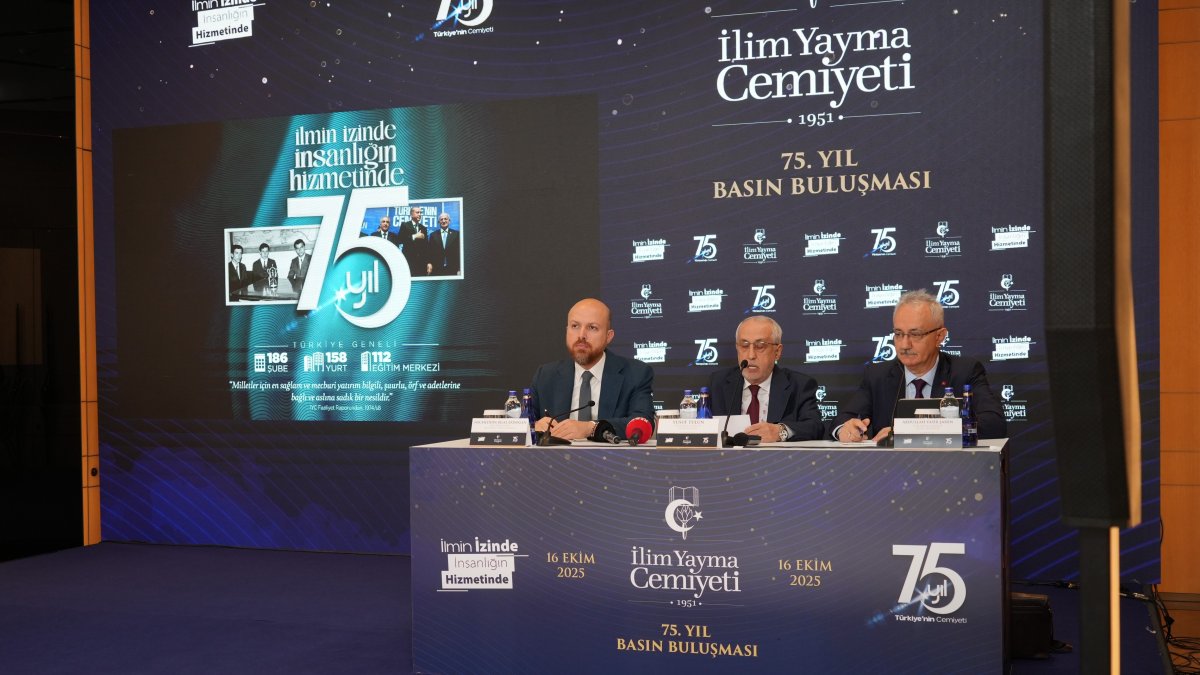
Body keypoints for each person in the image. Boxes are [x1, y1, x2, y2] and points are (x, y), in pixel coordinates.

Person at [831, 289, 1007, 442]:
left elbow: (994, 424)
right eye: (899, 334)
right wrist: (845, 430)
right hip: (890, 474)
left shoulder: (965, 372)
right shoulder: (878, 375)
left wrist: (910, 432)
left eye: (915, 335)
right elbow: (843, 419)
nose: (904, 345)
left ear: (939, 336)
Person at [530, 298, 655, 441]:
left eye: (592, 327)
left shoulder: (636, 374)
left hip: (612, 460)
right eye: (575, 326)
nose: (581, 335)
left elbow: (642, 422)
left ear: (608, 336)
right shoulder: (545, 375)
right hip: (555, 461)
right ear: (567, 331)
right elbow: (522, 424)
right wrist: (534, 426)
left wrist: (590, 428)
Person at [708, 316, 824, 442]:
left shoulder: (799, 385)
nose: (751, 355)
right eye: (744, 345)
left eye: (760, 346)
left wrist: (780, 431)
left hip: (778, 460)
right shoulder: (718, 383)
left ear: (777, 352)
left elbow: (815, 427)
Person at [425, 212, 461, 276]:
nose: (443, 221)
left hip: (453, 269)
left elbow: (459, 252)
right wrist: (429, 263)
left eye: (445, 219)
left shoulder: (456, 234)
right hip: (437, 269)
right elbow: (429, 252)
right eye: (441, 219)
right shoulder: (433, 235)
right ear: (439, 222)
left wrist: (460, 268)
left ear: (449, 221)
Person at [396, 205, 427, 277]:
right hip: (408, 261)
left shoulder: (423, 228)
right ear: (411, 214)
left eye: (420, 213)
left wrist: (427, 262)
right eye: (417, 212)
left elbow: (426, 247)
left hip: (421, 262)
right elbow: (400, 239)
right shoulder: (405, 225)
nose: (420, 214)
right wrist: (414, 236)